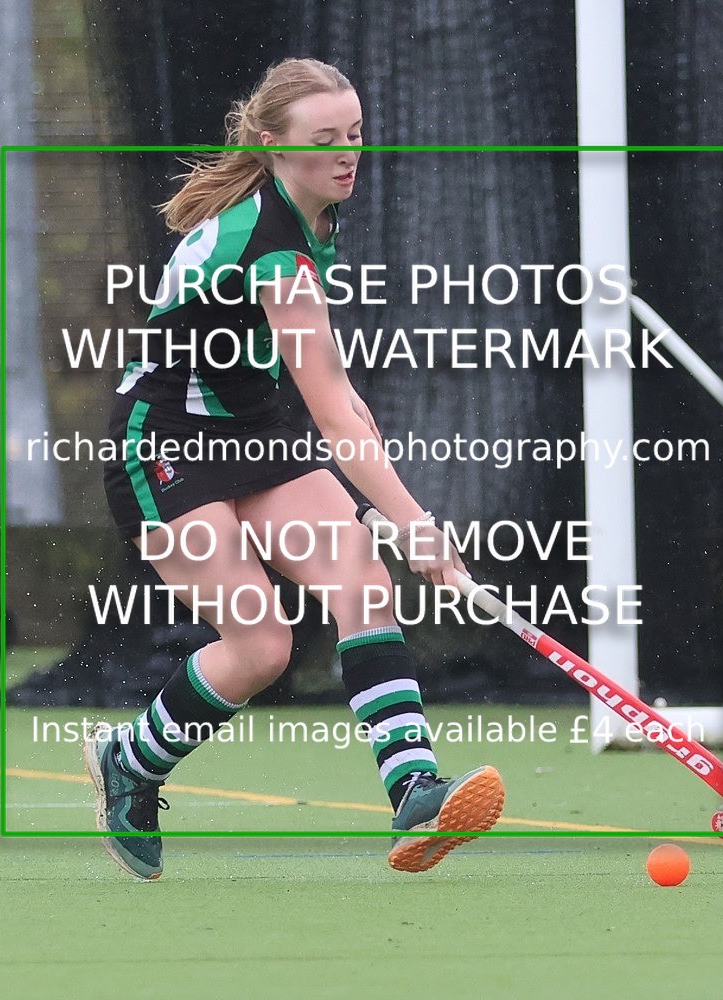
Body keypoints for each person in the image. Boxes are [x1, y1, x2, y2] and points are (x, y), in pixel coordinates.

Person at [84, 57, 505, 880]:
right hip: (163, 442)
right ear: (273, 146)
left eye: (354, 135)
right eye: (325, 141)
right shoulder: (272, 242)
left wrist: (380, 489)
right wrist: (416, 521)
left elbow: (332, 389)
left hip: (256, 429)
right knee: (261, 642)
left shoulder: (307, 211)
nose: (347, 155)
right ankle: (131, 761)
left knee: (360, 578)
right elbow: (332, 405)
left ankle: (414, 791)